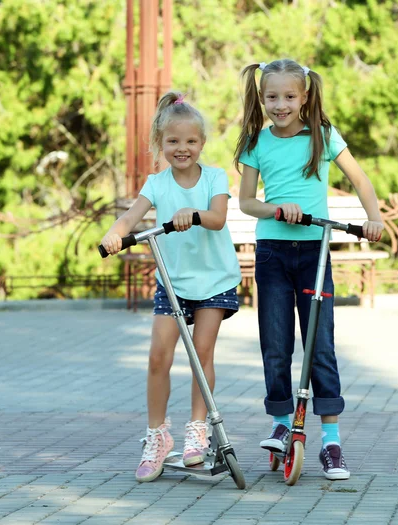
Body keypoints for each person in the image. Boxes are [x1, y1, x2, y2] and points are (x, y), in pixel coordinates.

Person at [234, 59, 384, 480]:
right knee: (276, 345)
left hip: (315, 253)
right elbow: (247, 202)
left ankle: (331, 442)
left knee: (320, 347)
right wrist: (277, 209)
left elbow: (361, 180)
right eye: (271, 97)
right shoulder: (255, 142)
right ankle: (281, 425)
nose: (280, 105)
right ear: (261, 98)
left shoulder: (323, 136)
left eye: (288, 96)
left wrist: (374, 218)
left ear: (305, 96)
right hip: (272, 254)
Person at [102, 91, 242, 482]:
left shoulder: (215, 177)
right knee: (157, 357)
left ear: (202, 143)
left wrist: (192, 213)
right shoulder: (156, 183)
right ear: (160, 144)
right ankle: (157, 436)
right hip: (173, 283)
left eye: (191, 141)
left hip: (214, 280)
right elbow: (131, 216)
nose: (183, 149)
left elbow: (216, 218)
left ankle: (197, 431)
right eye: (174, 142)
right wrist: (116, 232)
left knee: (200, 354)